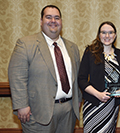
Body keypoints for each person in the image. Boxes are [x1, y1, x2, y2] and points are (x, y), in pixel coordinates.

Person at [8, 5, 82, 133]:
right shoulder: (25, 44)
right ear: (41, 21)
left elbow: (78, 77)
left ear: (61, 22)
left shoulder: (72, 47)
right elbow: (17, 76)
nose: (53, 21)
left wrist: (78, 100)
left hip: (68, 111)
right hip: (38, 112)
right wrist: (21, 105)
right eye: (48, 17)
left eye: (57, 18)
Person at [78, 21, 120, 133]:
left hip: (112, 106)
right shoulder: (90, 52)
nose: (107, 36)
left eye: (110, 32)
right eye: (104, 32)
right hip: (93, 104)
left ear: (115, 35)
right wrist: (98, 95)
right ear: (99, 35)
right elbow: (81, 79)